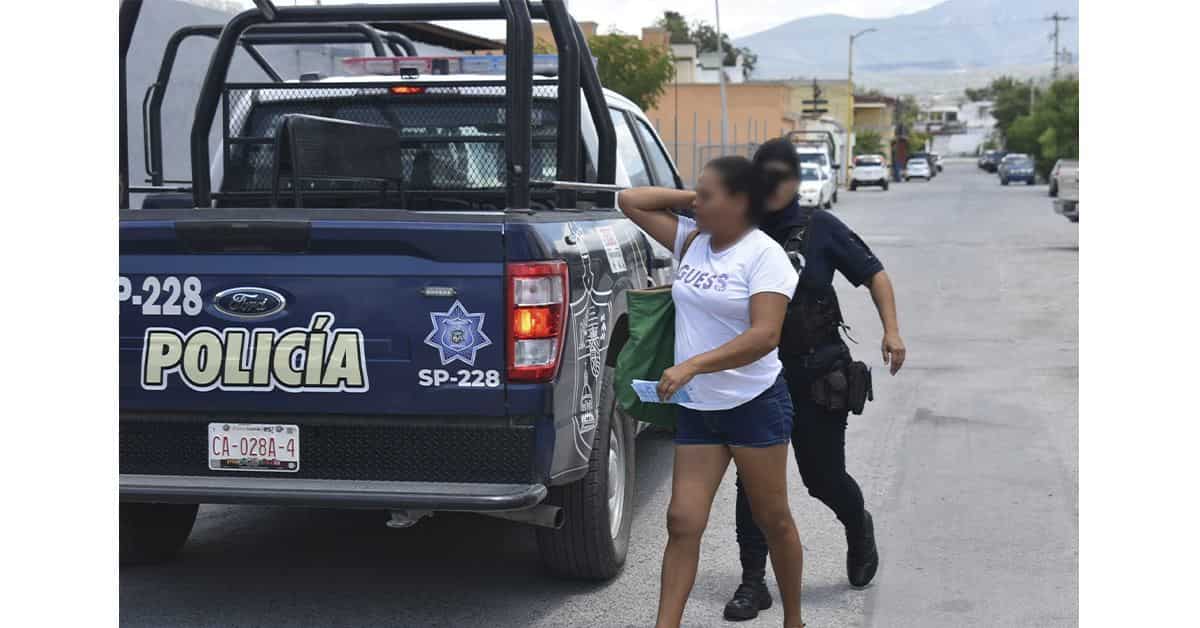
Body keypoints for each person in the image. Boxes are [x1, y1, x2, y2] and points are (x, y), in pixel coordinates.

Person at [722, 138, 907, 622]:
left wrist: (891, 330)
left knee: (821, 478)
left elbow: (874, 274)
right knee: (754, 483)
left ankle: (856, 523)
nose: (775, 186)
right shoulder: (741, 228)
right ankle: (753, 582)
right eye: (766, 177)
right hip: (760, 377)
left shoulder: (820, 227)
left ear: (795, 180)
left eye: (783, 176)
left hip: (818, 373)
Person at [617, 156, 807, 628]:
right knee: (682, 521)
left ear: (740, 203)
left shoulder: (764, 255)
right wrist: (698, 202)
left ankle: (794, 620)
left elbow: (765, 336)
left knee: (773, 519)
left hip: (754, 405)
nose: (695, 202)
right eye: (694, 194)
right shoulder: (694, 240)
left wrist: (694, 364)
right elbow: (630, 200)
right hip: (700, 409)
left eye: (708, 194)